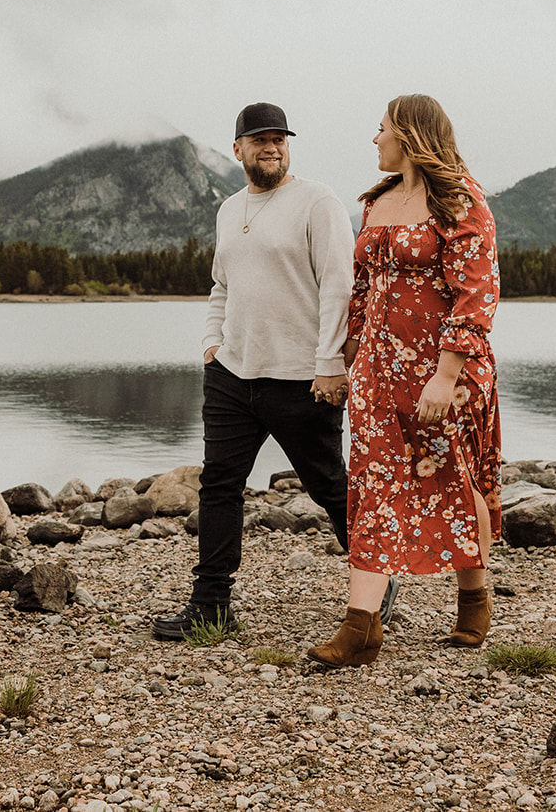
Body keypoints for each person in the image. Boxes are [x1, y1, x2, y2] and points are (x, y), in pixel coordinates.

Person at [152, 102, 397, 639]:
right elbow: (221, 285)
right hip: (231, 374)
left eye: (279, 139)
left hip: (301, 378)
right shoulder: (228, 209)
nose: (271, 147)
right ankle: (211, 605)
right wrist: (212, 343)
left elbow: (339, 286)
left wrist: (330, 365)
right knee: (219, 485)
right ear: (237, 148)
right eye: (260, 139)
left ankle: (376, 583)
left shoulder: (317, 201)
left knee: (329, 485)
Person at [306, 93, 501, 668]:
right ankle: (361, 626)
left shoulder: (461, 200)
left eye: (382, 128)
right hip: (377, 370)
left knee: (456, 478)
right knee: (372, 486)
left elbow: (476, 295)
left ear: (410, 136)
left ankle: (474, 598)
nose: (375, 138)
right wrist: (345, 359)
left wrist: (445, 375)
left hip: (445, 371)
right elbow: (362, 290)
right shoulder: (377, 202)